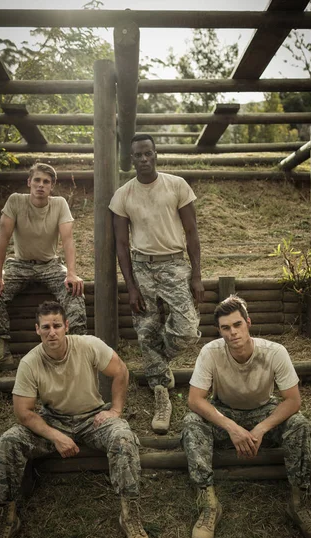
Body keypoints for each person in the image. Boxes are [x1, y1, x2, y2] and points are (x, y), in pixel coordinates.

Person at [0, 300, 150, 538]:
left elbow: (120, 370)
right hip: (54, 421)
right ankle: (7, 519)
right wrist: (55, 435)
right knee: (9, 440)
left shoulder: (87, 345)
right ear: (37, 330)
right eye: (45, 327)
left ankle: (129, 514)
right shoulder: (30, 362)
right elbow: (23, 412)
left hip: (92, 418)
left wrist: (116, 411)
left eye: (56, 325)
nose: (51, 332)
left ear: (66, 326)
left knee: (123, 437)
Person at [182, 295, 311, 538]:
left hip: (263, 410)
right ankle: (209, 505)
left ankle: (298, 504)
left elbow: (293, 401)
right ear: (219, 331)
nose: (232, 333)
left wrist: (261, 428)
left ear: (248, 322)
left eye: (237, 325)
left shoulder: (274, 352)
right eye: (225, 328)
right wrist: (232, 427)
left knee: (300, 425)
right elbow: (195, 400)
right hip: (225, 411)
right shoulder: (210, 352)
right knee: (191, 422)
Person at [109, 134, 204, 435]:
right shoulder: (123, 195)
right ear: (132, 159)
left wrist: (197, 275)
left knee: (188, 329)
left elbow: (192, 233)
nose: (144, 159)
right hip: (142, 267)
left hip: (175, 264)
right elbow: (121, 245)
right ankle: (161, 395)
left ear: (156, 154)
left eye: (149, 153)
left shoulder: (177, 185)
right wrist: (131, 286)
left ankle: (158, 363)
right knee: (146, 329)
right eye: (139, 155)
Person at [0, 162, 87, 377]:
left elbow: (68, 240)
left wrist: (71, 273)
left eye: (46, 182)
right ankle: (2, 353)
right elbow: (3, 238)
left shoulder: (60, 204)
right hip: (19, 264)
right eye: (37, 180)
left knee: (74, 290)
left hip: (51, 264)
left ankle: (77, 353)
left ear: (51, 186)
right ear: (29, 182)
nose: (41, 185)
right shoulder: (16, 201)